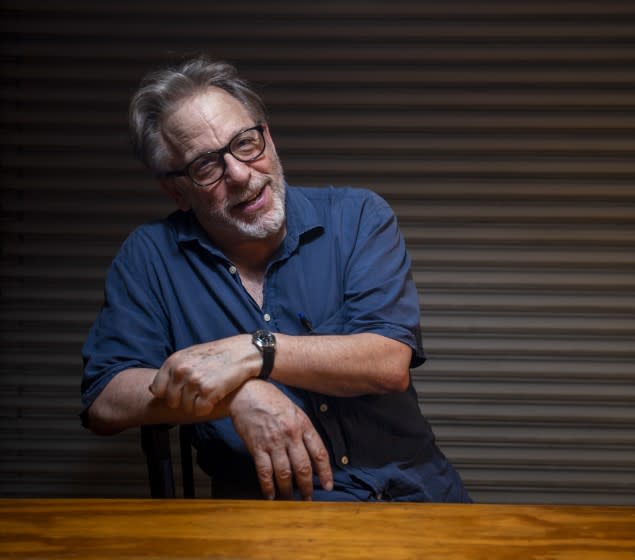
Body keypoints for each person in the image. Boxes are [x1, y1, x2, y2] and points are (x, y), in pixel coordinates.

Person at [80, 56, 471, 502]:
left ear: (268, 137)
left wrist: (252, 352)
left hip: (417, 497)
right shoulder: (149, 256)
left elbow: (387, 362)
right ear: (176, 190)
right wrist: (235, 396)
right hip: (271, 520)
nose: (242, 175)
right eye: (206, 166)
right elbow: (104, 401)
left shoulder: (359, 216)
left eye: (246, 143)